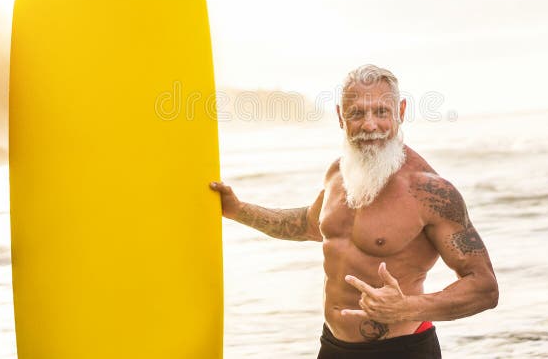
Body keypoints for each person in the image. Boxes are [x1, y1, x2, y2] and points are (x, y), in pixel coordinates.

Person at [210, 64, 498, 358]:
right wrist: (238, 210)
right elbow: (308, 225)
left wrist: (406, 307)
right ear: (340, 116)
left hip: (401, 350)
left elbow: (484, 287)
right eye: (357, 113)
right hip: (333, 346)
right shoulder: (339, 173)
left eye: (381, 112)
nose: (369, 125)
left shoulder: (430, 192)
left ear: (400, 111)